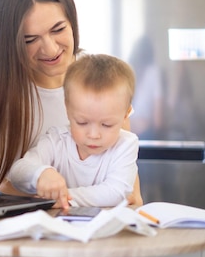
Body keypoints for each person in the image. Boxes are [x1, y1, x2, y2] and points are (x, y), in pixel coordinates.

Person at [0, 0, 143, 206]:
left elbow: (131, 196)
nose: (51, 49)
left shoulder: (98, 86)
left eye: (58, 29)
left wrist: (62, 197)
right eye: (30, 39)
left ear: (72, 19)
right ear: (9, 43)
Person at [8, 54, 138, 209]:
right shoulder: (56, 140)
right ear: (67, 110)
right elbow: (17, 171)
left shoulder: (126, 144)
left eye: (106, 124)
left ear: (125, 115)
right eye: (82, 122)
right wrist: (40, 174)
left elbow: (116, 192)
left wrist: (63, 197)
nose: (93, 135)